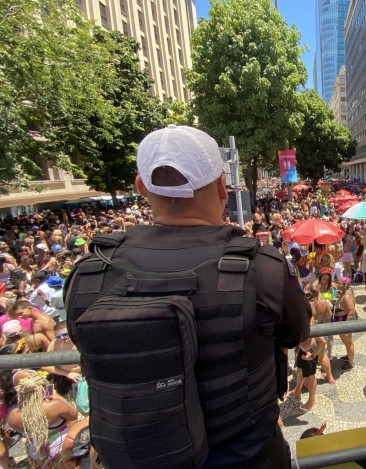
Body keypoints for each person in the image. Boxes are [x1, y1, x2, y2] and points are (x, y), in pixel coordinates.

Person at [65, 125, 310, 468]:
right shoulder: (265, 269)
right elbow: (297, 333)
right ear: (223, 187)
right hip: (249, 458)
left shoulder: (89, 274)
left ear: (141, 187)